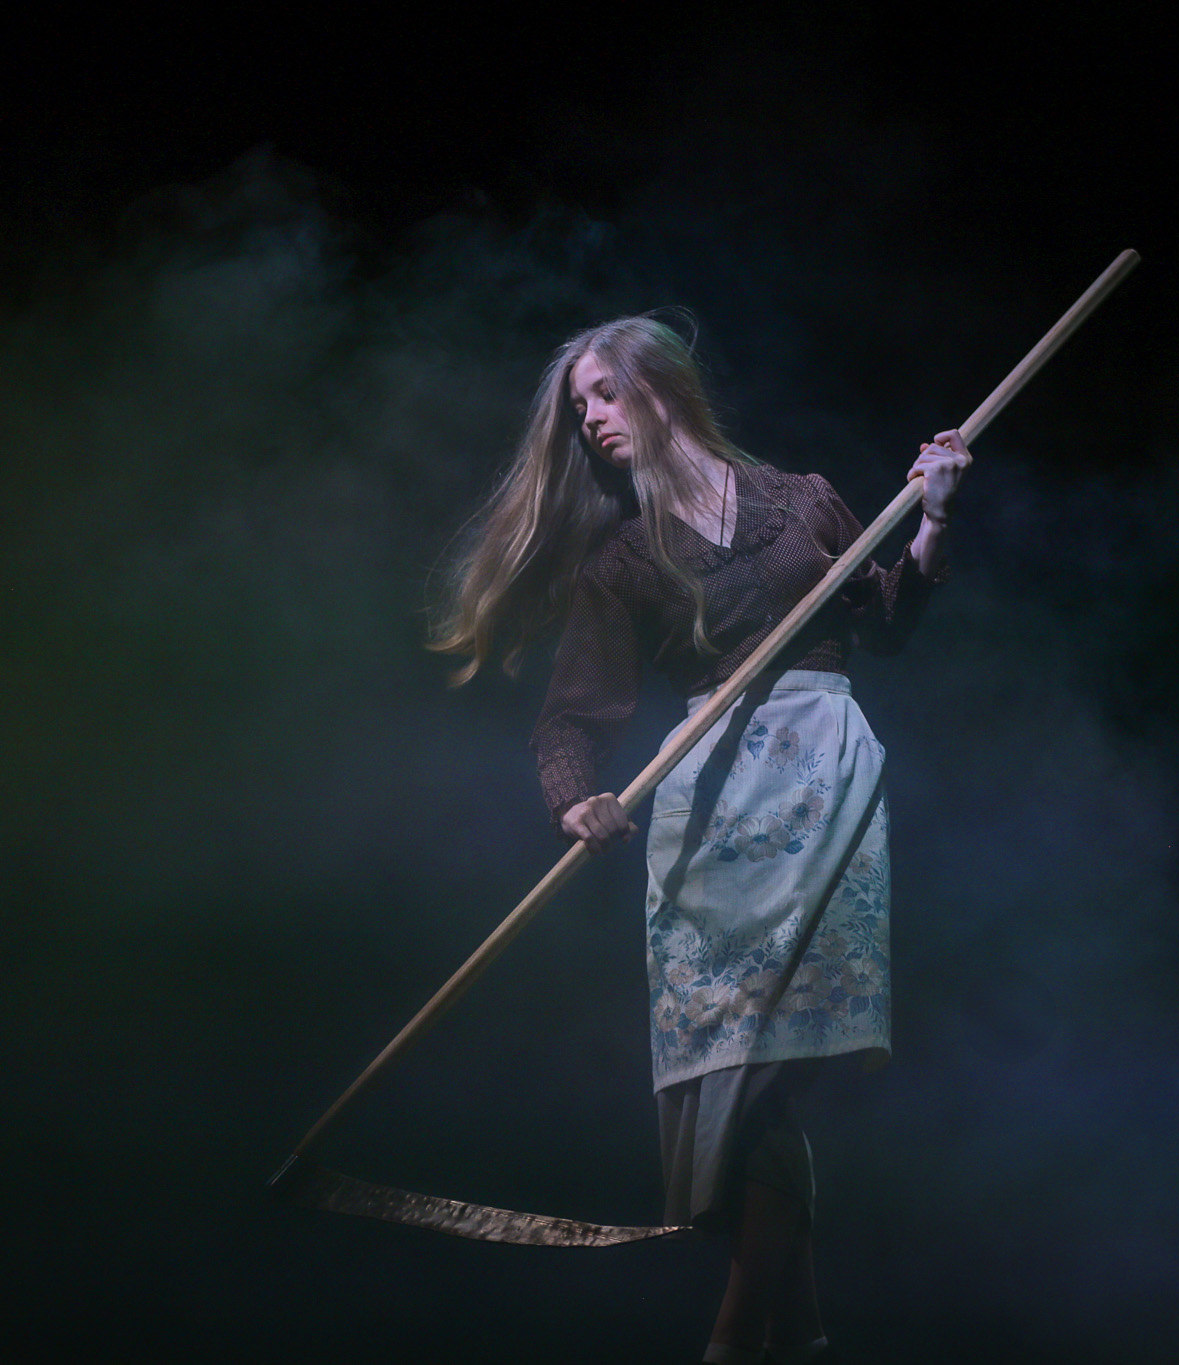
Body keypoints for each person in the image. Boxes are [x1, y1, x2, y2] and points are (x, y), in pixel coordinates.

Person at [430, 314, 968, 1365]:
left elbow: (887, 621)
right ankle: (799, 1333)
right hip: (706, 809)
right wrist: (574, 801)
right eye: (579, 407)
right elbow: (569, 721)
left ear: (659, 386)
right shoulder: (621, 559)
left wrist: (935, 520)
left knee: (772, 1072)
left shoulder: (802, 500)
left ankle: (730, 1341)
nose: (590, 421)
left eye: (602, 393)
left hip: (821, 783)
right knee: (728, 1073)